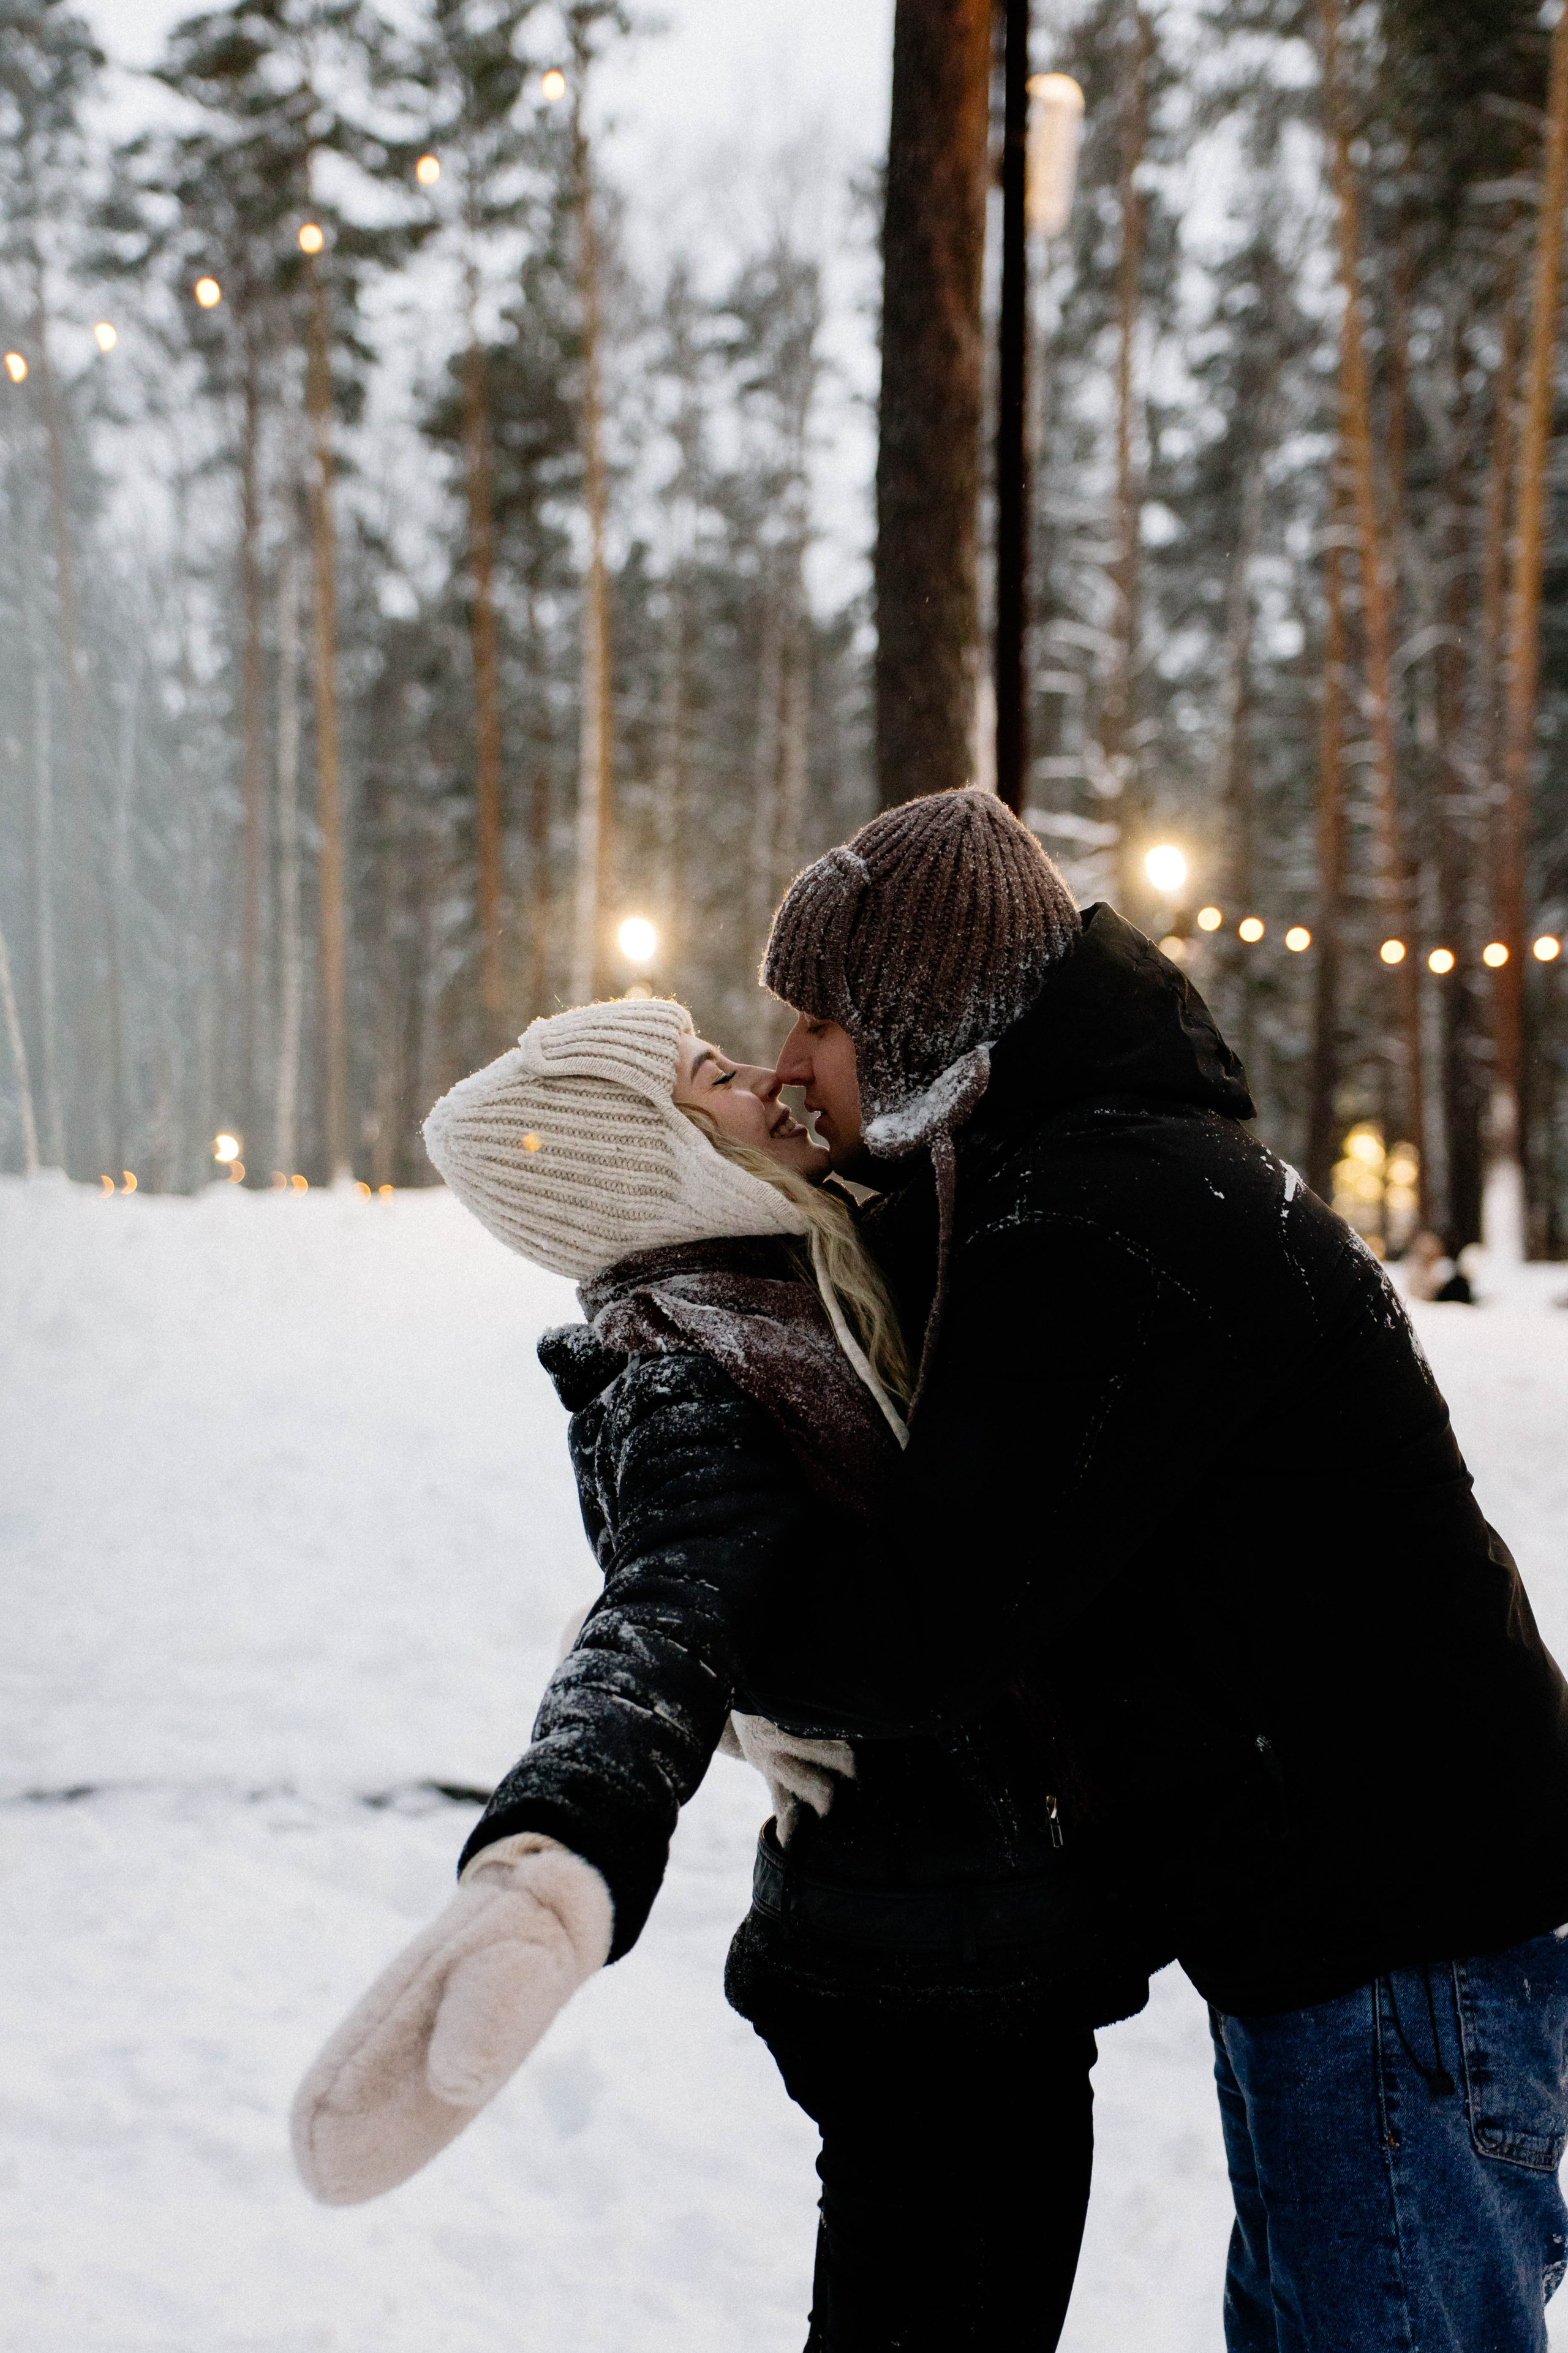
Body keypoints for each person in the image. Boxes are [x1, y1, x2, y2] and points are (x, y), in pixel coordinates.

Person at [757, 784, 1568, 2353]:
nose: (786, 1059)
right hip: (1349, 1920)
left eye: (819, 1020)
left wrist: (709, 1619)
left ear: (919, 1028)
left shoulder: (1103, 1219)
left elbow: (926, 1624)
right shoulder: (1088, 1174)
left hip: (1397, 1932)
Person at [290, 993, 1152, 2353]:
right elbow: (669, 1602)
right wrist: (559, 1847)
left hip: (963, 1942)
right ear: (654, 1155)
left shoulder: (791, 1279)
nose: (765, 1074)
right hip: (923, 1973)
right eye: (712, 1075)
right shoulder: (685, 1361)